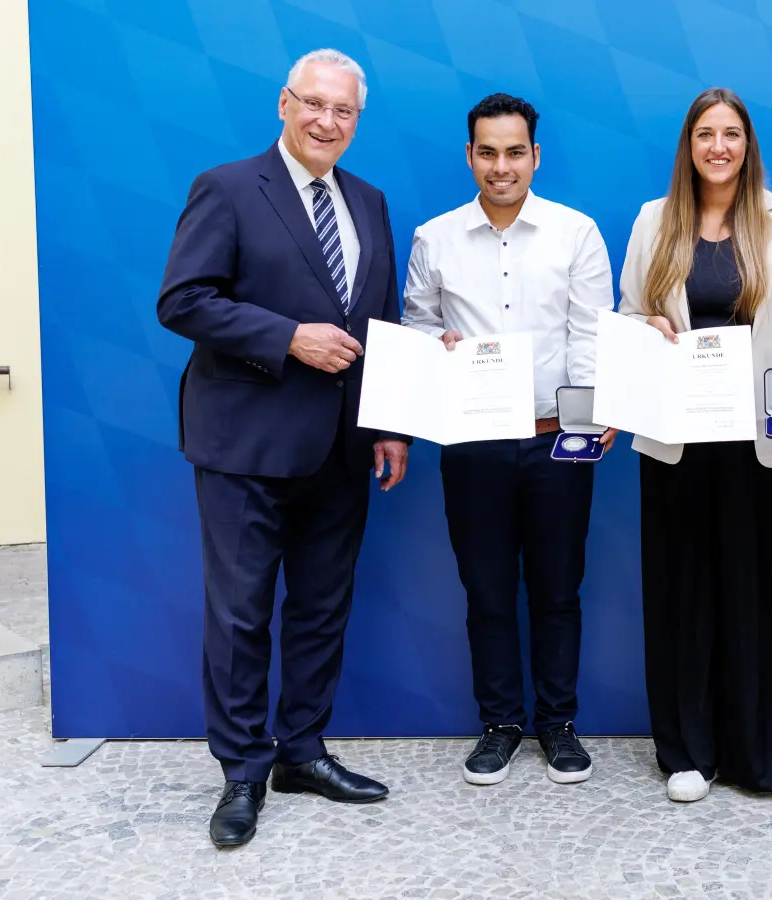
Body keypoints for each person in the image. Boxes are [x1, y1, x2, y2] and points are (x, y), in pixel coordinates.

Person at [156, 49, 410, 848]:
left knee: (320, 610)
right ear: (284, 103)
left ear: (356, 121)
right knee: (238, 616)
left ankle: (302, 750)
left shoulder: (368, 200)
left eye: (344, 112)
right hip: (245, 445)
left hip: (340, 448)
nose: (327, 121)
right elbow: (183, 300)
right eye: (314, 104)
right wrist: (287, 337)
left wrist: (389, 420)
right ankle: (241, 772)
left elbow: (381, 319)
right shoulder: (227, 188)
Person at [618, 87, 772, 809]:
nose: (718, 147)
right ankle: (688, 752)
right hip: (678, 442)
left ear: (748, 144)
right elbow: (626, 317)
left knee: (766, 592)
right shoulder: (654, 221)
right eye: (705, 134)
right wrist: (646, 329)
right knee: (684, 593)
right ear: (689, 145)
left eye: (731, 134)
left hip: (761, 443)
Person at [402, 93, 614, 787]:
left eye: (514, 152)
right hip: (473, 442)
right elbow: (415, 327)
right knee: (487, 588)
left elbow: (591, 333)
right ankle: (499, 724)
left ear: (535, 155)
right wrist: (440, 343)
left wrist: (591, 420)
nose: (501, 166)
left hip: (558, 438)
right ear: (470, 156)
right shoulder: (434, 237)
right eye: (487, 152)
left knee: (558, 589)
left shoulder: (575, 232)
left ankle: (557, 723)